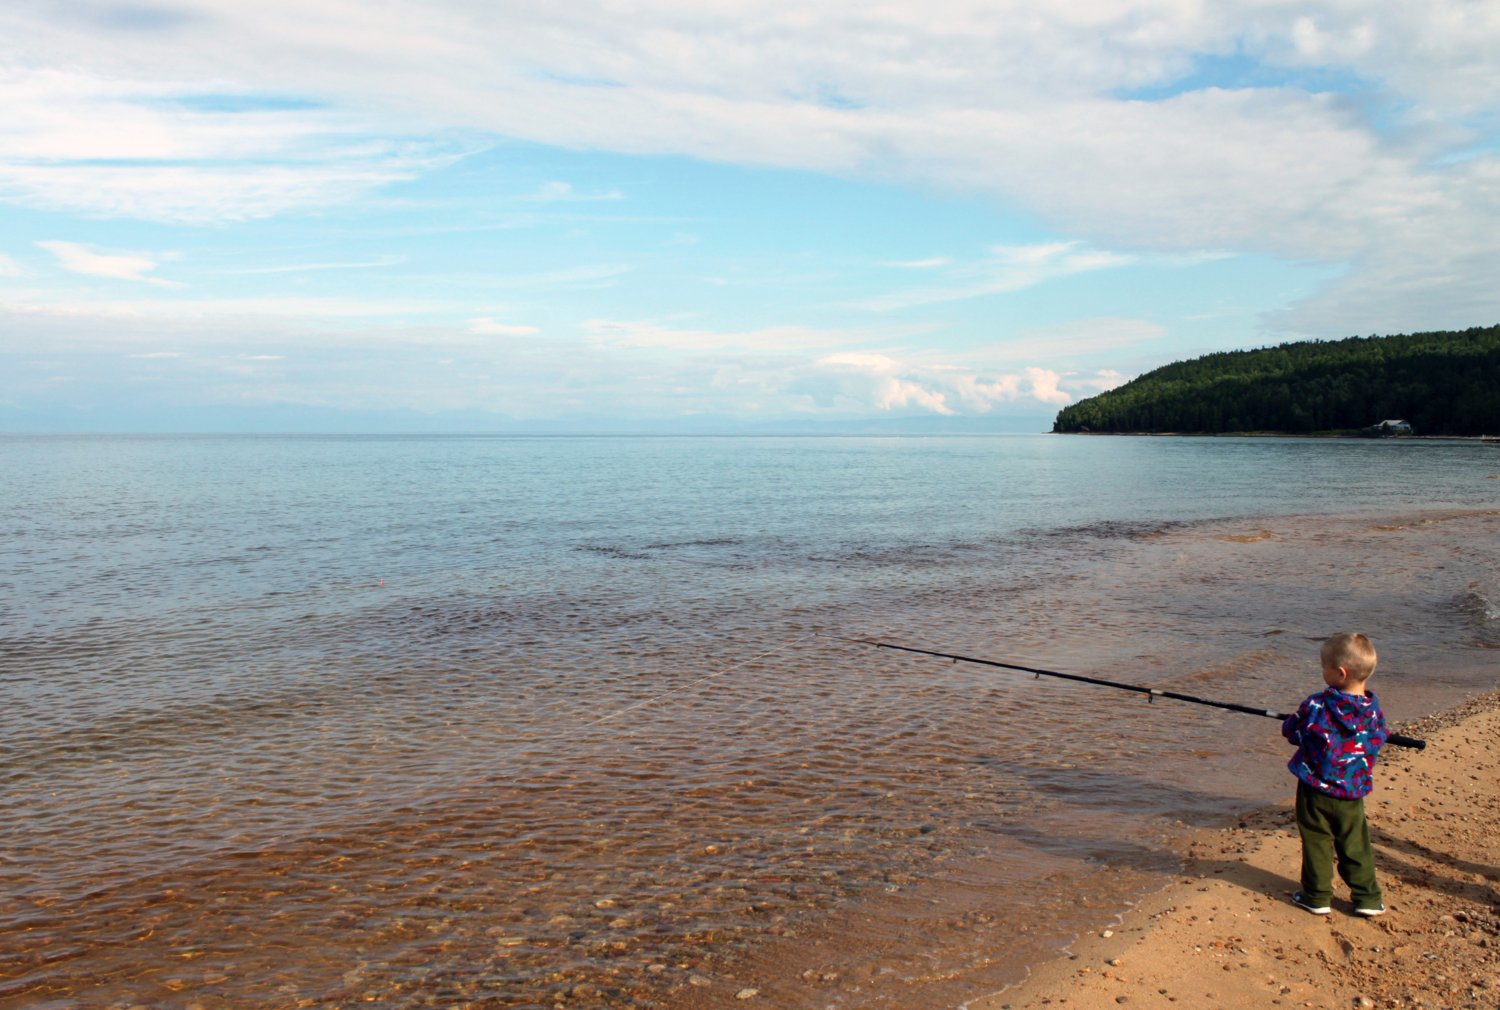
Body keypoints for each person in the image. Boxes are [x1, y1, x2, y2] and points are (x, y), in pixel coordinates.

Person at [1282, 632, 1389, 916]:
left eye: (1323, 666)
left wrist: (1294, 722)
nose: (1322, 671)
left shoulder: (1316, 705)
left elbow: (1292, 732)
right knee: (1355, 841)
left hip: (1314, 788)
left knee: (1317, 839)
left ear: (1340, 673)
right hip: (1352, 792)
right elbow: (1379, 736)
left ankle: (1316, 896)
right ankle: (1367, 898)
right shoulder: (1373, 710)